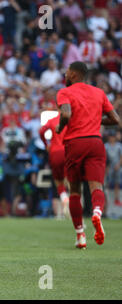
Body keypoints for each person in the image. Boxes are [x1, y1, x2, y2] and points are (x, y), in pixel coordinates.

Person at [56, 61, 120, 249]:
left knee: (75, 190)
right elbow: (115, 119)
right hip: (96, 142)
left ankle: (80, 235)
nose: (65, 75)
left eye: (67, 72)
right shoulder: (99, 93)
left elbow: (66, 115)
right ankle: (98, 212)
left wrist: (60, 127)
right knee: (96, 186)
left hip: (75, 143)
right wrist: (94, 119)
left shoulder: (64, 92)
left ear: (74, 74)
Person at [39, 114, 70, 220]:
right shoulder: (70, 118)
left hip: (55, 152)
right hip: (68, 151)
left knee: (57, 181)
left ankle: (64, 197)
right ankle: (73, 205)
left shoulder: (52, 120)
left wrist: (46, 144)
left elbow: (41, 131)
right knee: (70, 181)